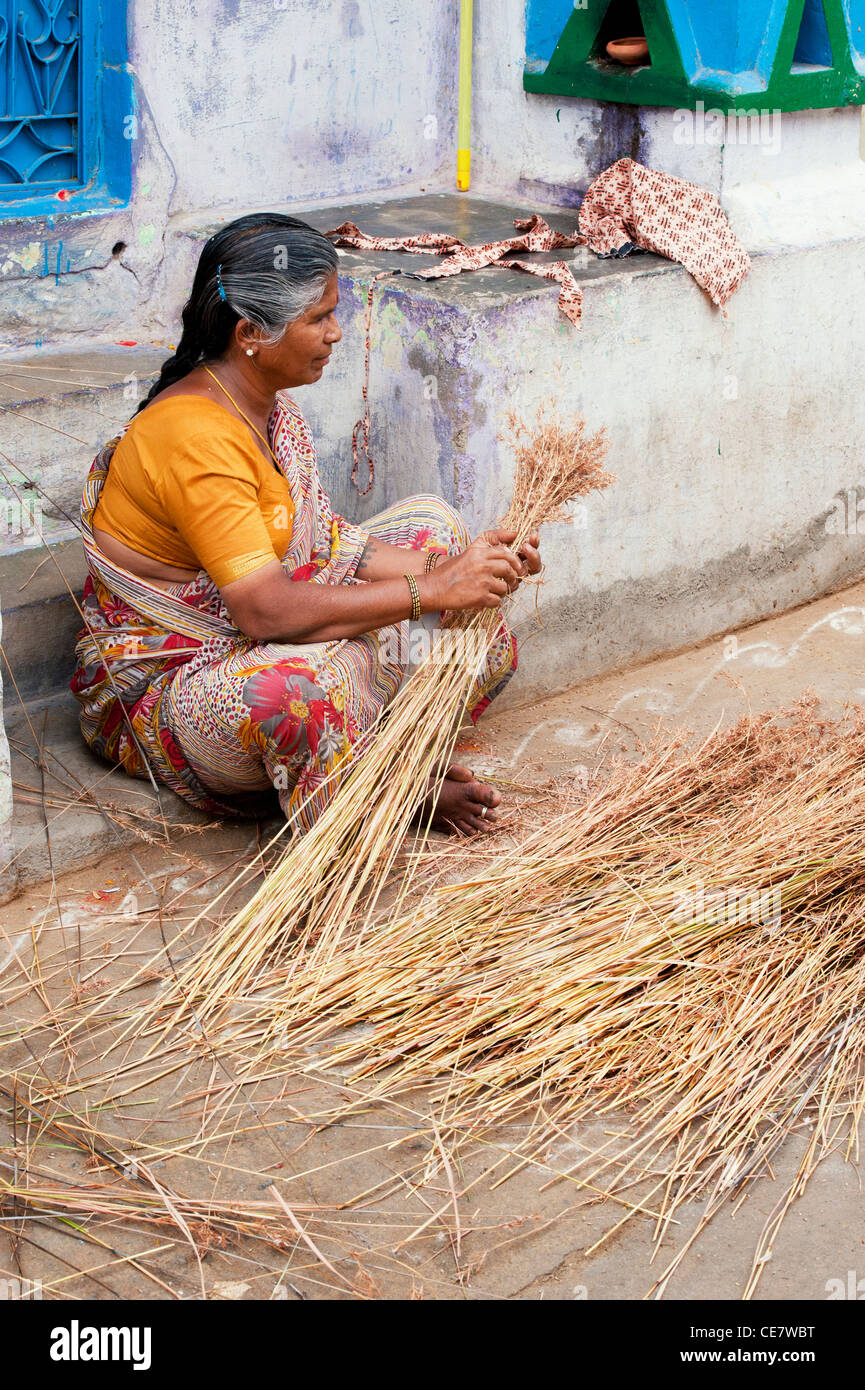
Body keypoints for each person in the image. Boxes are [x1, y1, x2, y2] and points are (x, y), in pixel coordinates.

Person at [70, 214, 540, 835]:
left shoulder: (266, 407)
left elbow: (326, 540)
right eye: (319, 318)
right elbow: (263, 613)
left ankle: (375, 758)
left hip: (261, 633)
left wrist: (456, 570)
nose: (336, 333)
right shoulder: (196, 439)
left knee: (441, 537)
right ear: (250, 335)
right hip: (169, 688)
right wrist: (431, 591)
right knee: (306, 694)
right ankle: (393, 787)